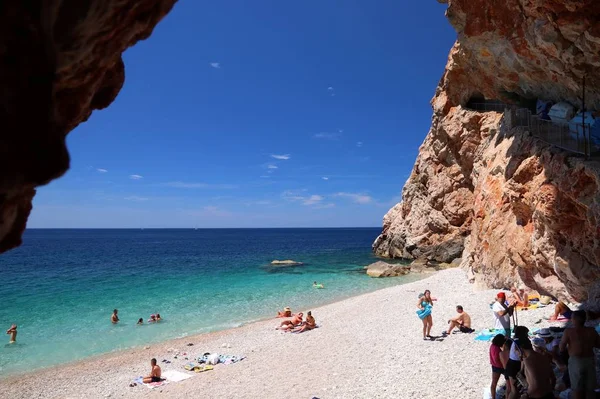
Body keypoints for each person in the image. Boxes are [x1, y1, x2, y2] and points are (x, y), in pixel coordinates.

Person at [559, 310, 600, 399]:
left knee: (577, 388)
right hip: (589, 360)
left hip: (576, 361)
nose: (571, 319)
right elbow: (598, 344)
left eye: (572, 317)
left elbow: (561, 347)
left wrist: (565, 357)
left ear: (577, 319)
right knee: (590, 388)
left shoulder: (569, 331)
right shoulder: (592, 330)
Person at [506, 325, 529, 399]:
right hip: (514, 365)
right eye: (526, 333)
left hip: (512, 364)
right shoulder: (519, 342)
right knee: (515, 390)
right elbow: (522, 355)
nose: (527, 335)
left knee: (515, 389)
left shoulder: (516, 340)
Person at [489, 334, 506, 399]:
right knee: (509, 380)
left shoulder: (492, 346)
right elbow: (497, 359)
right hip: (500, 366)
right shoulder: (497, 349)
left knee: (494, 383)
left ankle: (493, 397)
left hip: (494, 366)